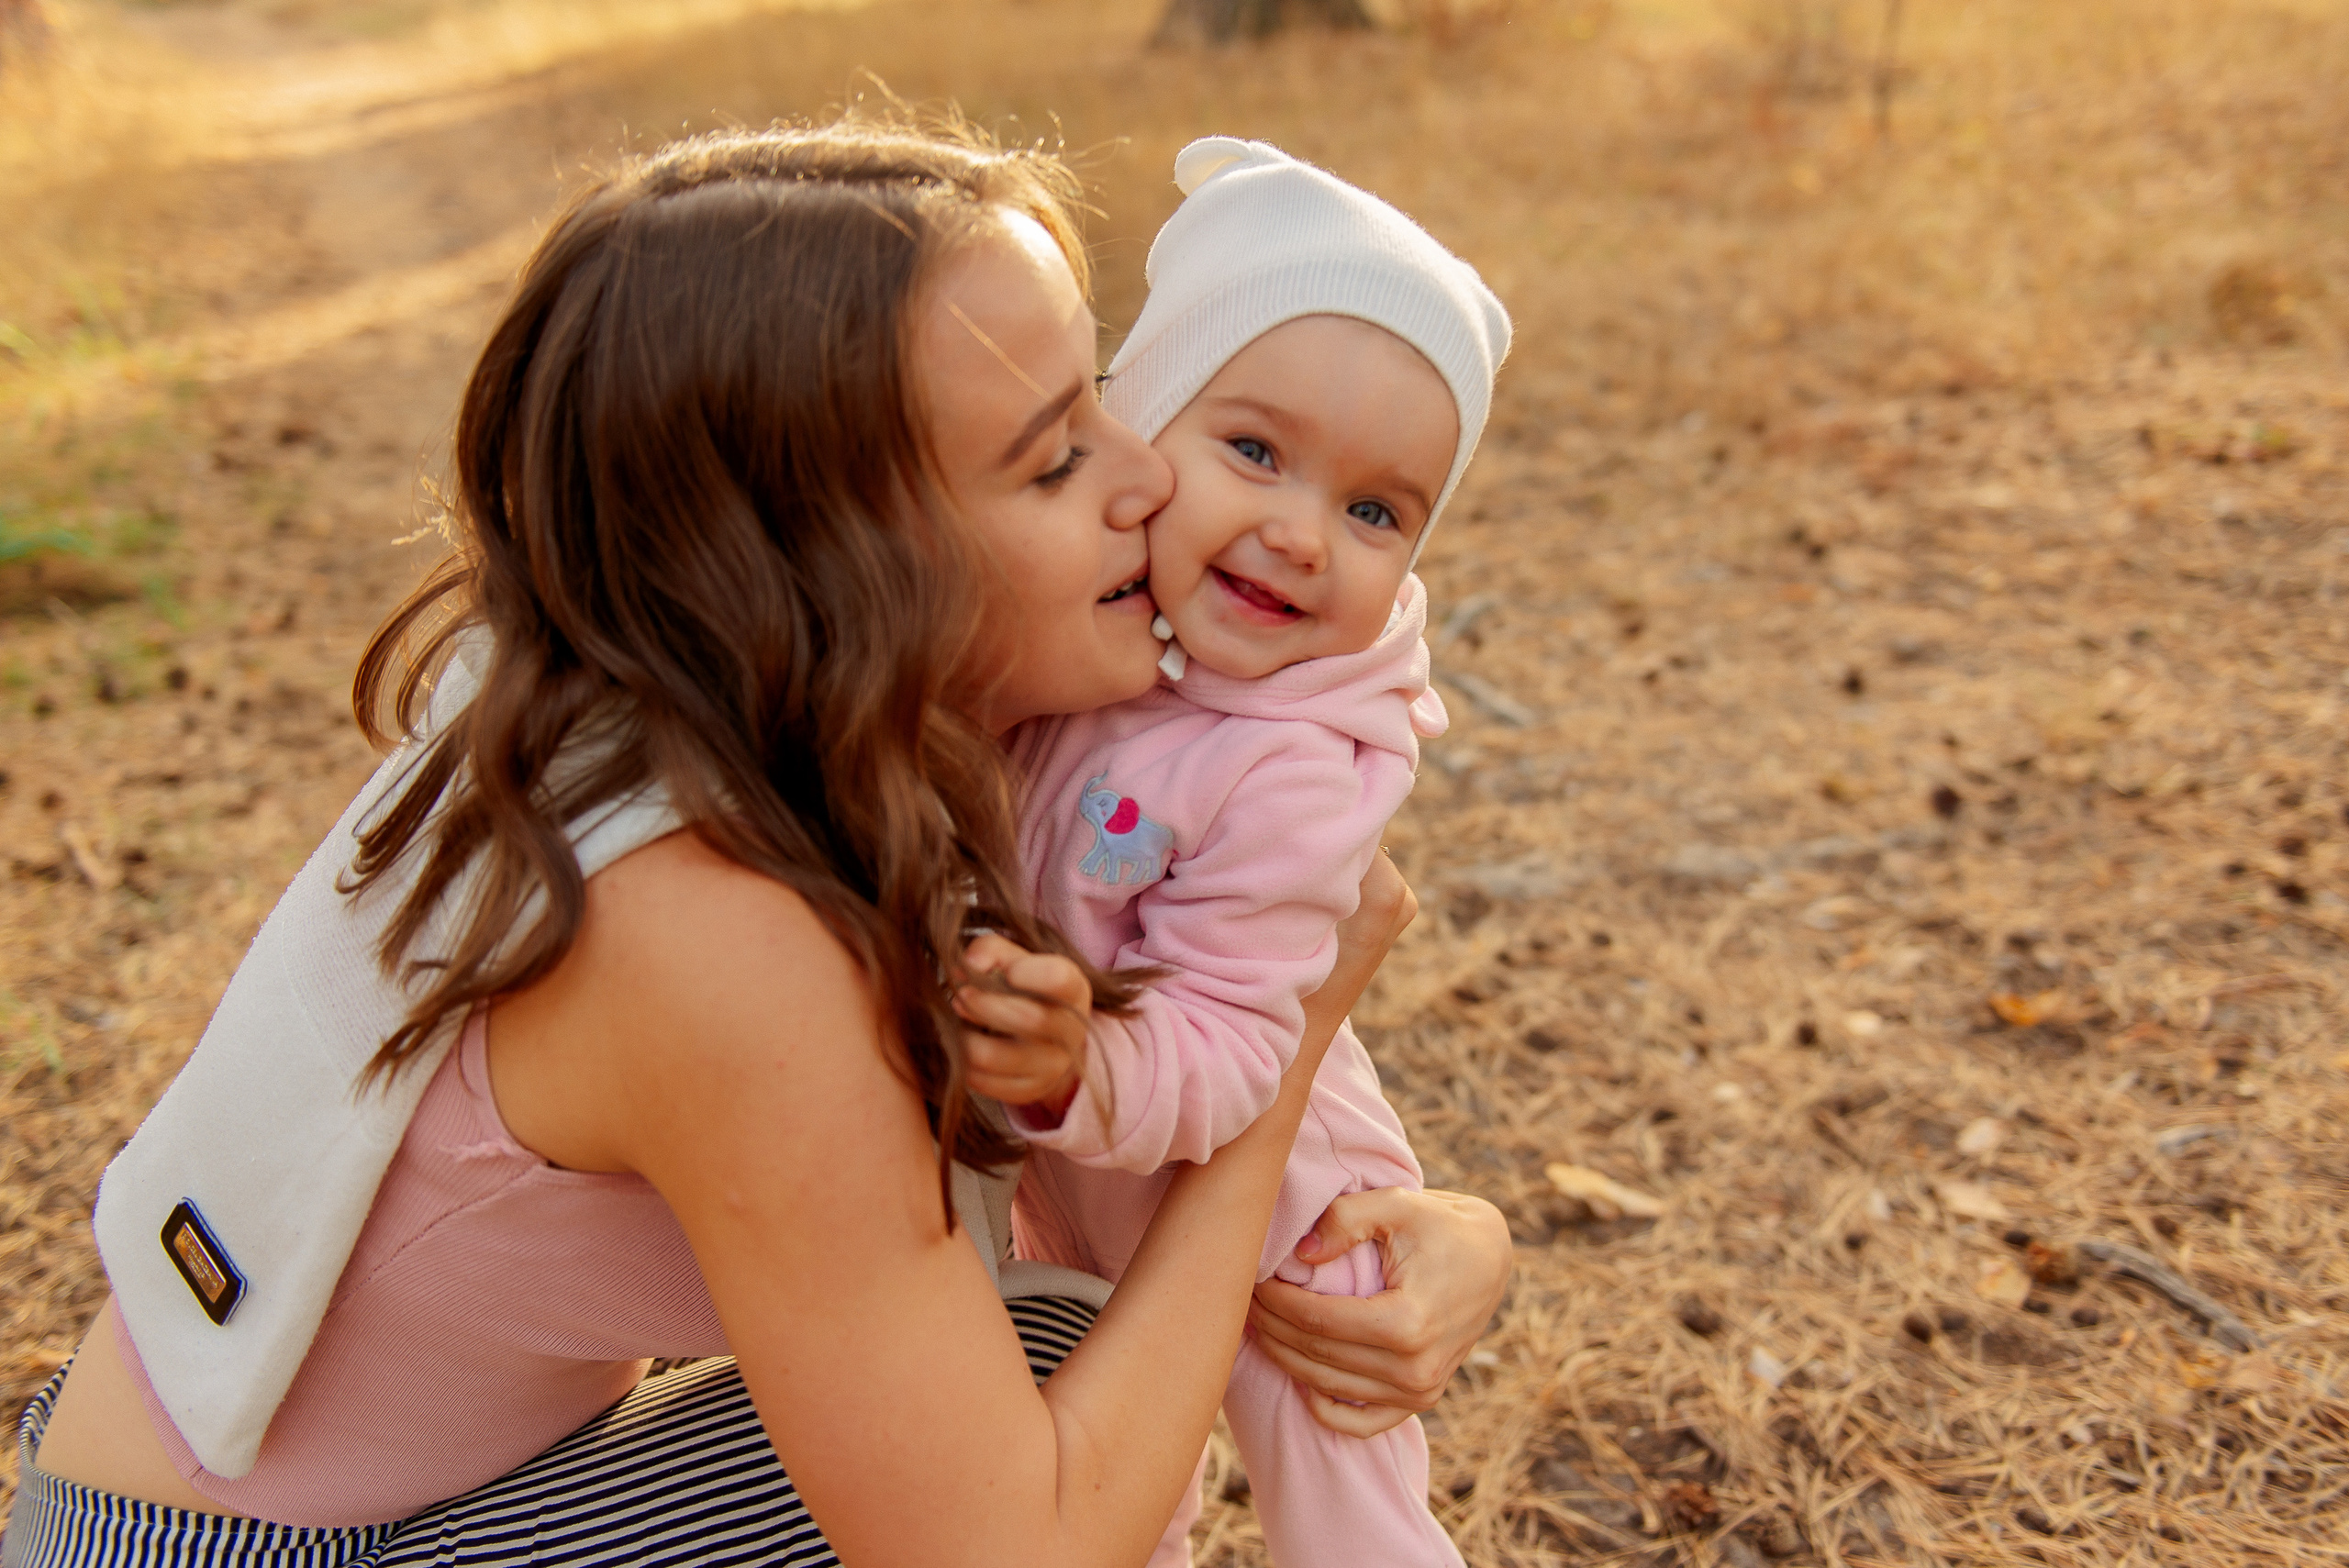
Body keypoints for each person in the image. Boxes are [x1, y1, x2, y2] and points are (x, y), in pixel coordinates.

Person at [5, 118, 1512, 1568]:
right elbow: (1018, 1547)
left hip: (243, 1487)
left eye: (1111, 396)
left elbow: (1158, 975)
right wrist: (1288, 1059)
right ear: (846, 557)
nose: (1147, 479)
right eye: (1056, 458)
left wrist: (1427, 1225)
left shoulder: (690, 684)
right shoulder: (720, 928)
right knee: (1050, 1374)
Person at [943, 138, 1508, 1568]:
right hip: (1071, 1173)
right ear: (1139, 427)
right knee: (1115, 1475)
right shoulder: (1098, 649)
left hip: (1282, 1205)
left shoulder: (1296, 767)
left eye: (1377, 510)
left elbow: (1233, 1036)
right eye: (1254, 451)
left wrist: (1081, 1067)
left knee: (1346, 1507)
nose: (1301, 533)